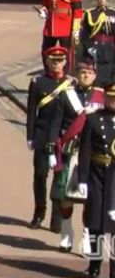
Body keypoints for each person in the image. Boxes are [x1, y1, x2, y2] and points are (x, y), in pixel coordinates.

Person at [46, 59, 104, 252]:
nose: (86, 75)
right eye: (82, 72)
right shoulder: (66, 95)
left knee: (90, 198)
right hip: (70, 151)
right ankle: (67, 233)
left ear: (95, 75)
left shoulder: (102, 98)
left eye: (90, 73)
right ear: (77, 74)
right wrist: (50, 149)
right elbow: (55, 122)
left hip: (93, 153)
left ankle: (87, 238)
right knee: (65, 198)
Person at [26, 42, 74, 233]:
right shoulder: (38, 83)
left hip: (63, 137)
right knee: (40, 175)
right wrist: (30, 136)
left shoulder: (71, 84)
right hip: (42, 134)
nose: (56, 64)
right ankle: (39, 212)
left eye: (60, 61)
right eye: (52, 61)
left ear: (65, 62)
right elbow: (31, 111)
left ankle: (56, 219)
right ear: (46, 61)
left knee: (60, 179)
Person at [78, 84, 115, 278]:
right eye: (110, 98)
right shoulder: (94, 119)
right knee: (95, 224)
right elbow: (84, 151)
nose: (113, 102)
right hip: (98, 176)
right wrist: (82, 180)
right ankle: (94, 264)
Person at [36, 0, 83, 74]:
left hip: (66, 24)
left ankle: (67, 75)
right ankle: (49, 73)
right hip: (50, 26)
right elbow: (45, 3)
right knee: (46, 51)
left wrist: (75, 28)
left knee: (67, 53)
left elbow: (77, 9)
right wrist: (44, 11)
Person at [80, 0, 115, 87]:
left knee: (110, 77)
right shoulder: (90, 14)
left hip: (110, 48)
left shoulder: (113, 13)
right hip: (95, 48)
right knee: (96, 79)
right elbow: (85, 35)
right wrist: (89, 47)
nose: (101, 0)